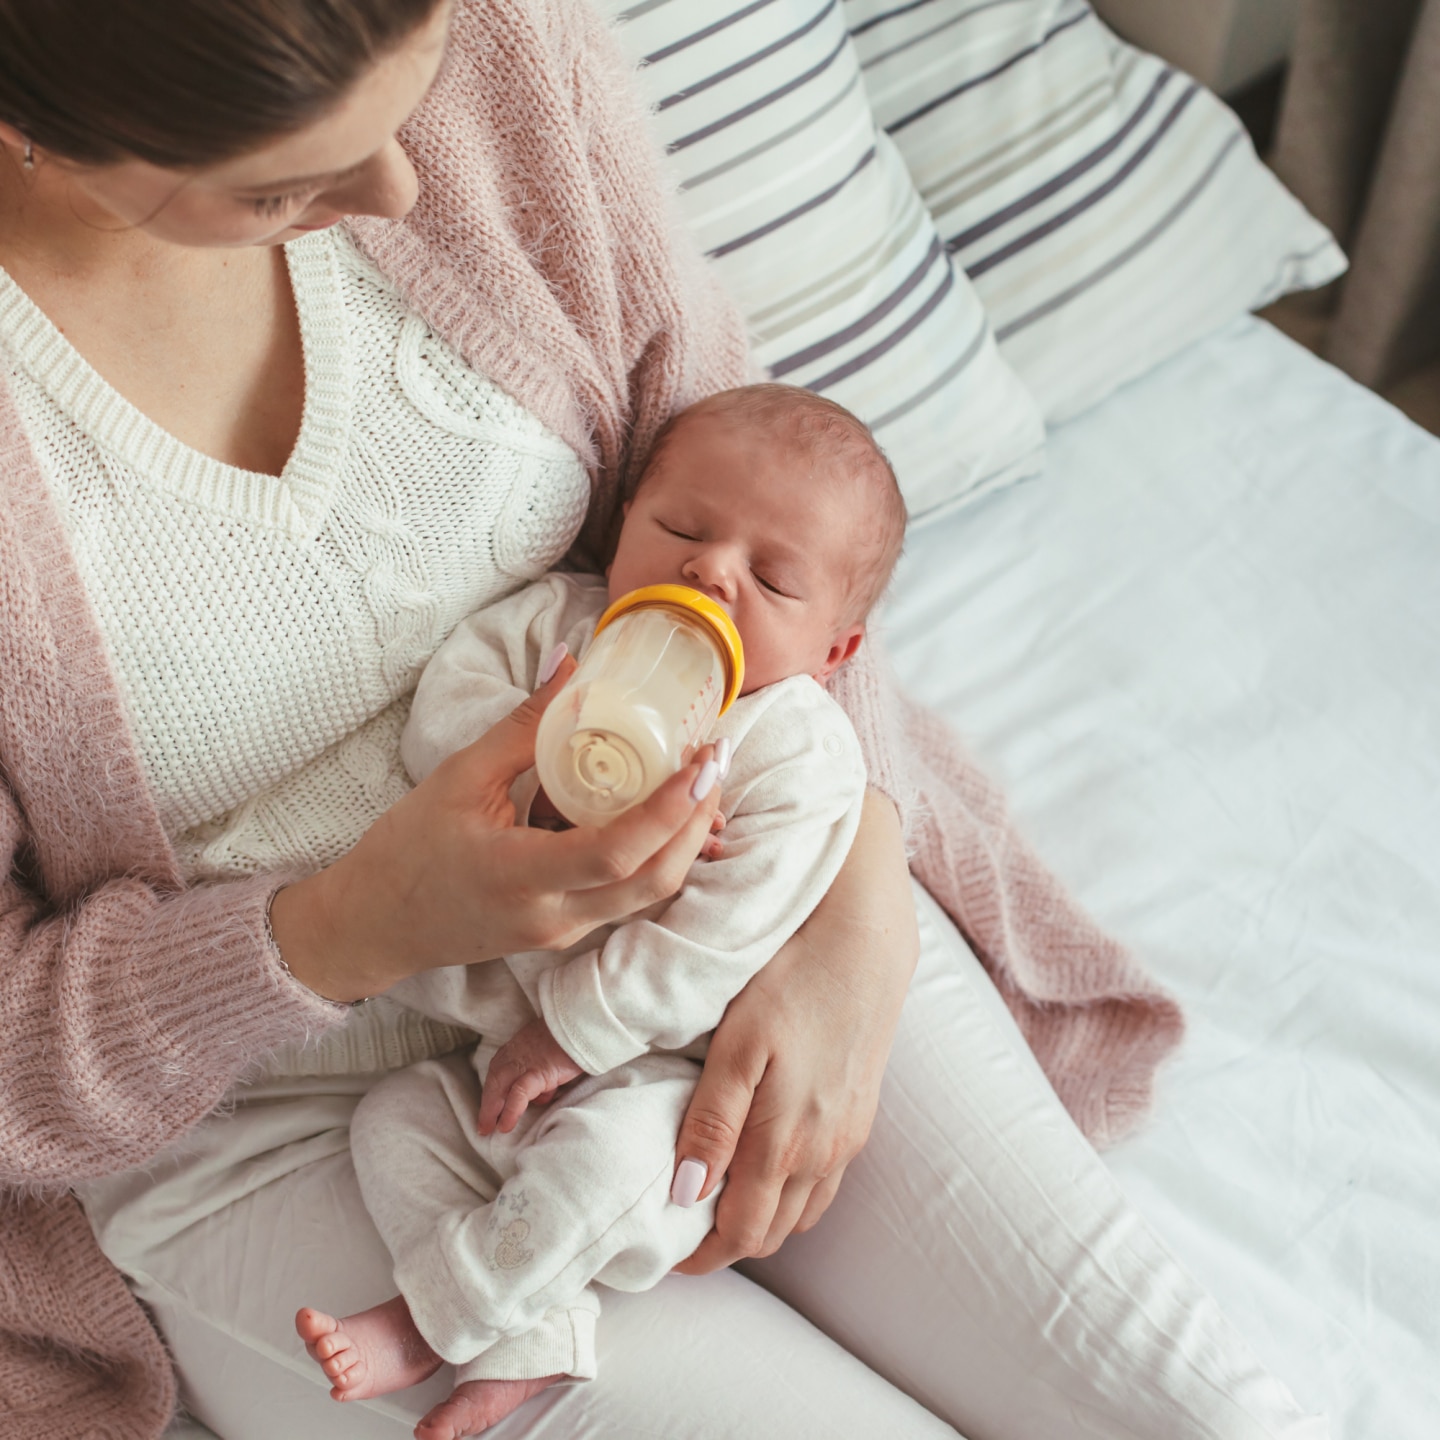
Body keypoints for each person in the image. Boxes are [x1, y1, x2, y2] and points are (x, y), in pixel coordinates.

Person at [0, 2, 1327, 1437]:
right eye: (282, 184)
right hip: (264, 1105)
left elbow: (773, 494)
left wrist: (855, 906)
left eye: (415, 89)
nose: (402, 186)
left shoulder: (495, 47)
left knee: (1194, 1408)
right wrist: (351, 925)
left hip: (729, 908)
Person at [295, 384, 908, 1438]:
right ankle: (531, 1337)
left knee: (616, 1166)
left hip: (668, 1070)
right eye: (680, 528)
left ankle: (435, 1319)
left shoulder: (796, 751)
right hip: (491, 1050)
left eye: (771, 578)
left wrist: (573, 1035)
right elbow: (445, 723)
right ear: (625, 523)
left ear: (835, 652)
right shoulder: (552, 630)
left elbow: (719, 937)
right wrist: (527, 773)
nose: (711, 570)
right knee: (392, 1124)